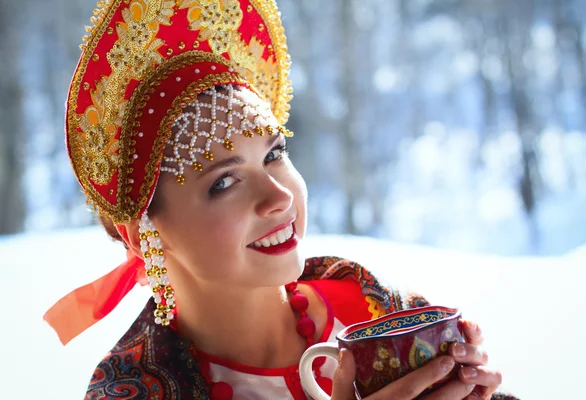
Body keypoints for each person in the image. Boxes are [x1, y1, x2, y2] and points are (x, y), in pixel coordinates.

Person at [44, 1, 516, 399]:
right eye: (223, 182)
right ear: (145, 233)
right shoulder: (132, 389)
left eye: (275, 154)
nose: (278, 194)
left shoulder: (377, 313)